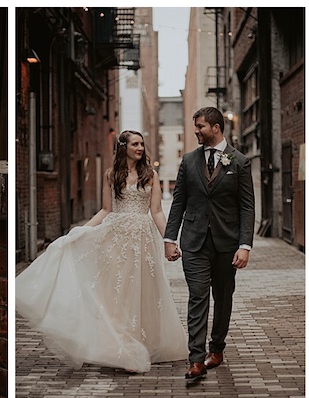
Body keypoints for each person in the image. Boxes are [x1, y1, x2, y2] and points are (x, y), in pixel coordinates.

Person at [15, 130, 186, 373]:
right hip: (116, 239)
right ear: (123, 147)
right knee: (117, 293)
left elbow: (156, 211)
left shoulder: (150, 175)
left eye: (142, 144)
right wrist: (81, 232)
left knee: (142, 291)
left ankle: (140, 342)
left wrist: (169, 240)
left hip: (142, 240)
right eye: (135, 144)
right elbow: (106, 210)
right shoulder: (111, 175)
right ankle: (121, 347)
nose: (140, 148)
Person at [164, 107, 255, 381]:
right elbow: (178, 201)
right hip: (194, 242)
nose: (196, 131)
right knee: (198, 296)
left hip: (227, 243)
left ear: (216, 127)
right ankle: (195, 359)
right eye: (195, 126)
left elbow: (247, 207)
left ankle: (216, 348)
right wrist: (170, 238)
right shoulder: (189, 161)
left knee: (223, 298)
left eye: (200, 126)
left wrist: (245, 245)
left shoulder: (239, 161)